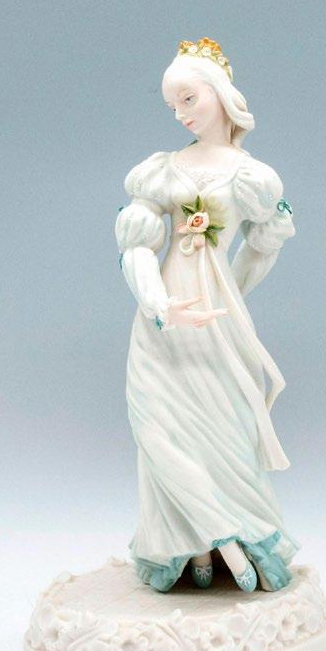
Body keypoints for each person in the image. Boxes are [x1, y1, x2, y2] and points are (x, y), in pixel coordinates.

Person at [115, 37, 300, 593]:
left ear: (219, 93)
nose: (181, 113)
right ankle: (194, 536)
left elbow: (265, 243)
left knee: (222, 430)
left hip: (214, 325)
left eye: (189, 98)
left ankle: (228, 532)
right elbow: (137, 246)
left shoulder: (253, 177)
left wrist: (230, 299)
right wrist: (158, 303)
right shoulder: (162, 170)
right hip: (163, 321)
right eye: (173, 105)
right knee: (161, 429)